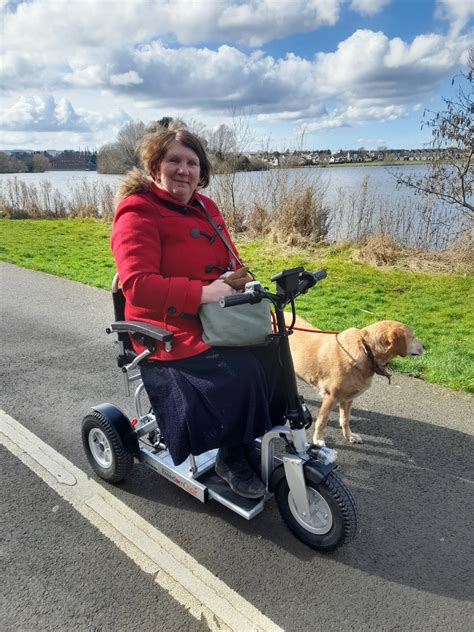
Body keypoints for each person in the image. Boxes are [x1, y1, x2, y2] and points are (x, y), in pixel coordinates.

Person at [111, 126, 284, 499]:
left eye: (192, 162)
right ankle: (228, 456)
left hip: (215, 312)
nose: (184, 170)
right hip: (164, 324)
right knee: (239, 371)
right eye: (174, 160)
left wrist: (239, 281)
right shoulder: (137, 210)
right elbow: (137, 285)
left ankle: (241, 438)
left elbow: (232, 260)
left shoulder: (207, 208)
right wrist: (204, 292)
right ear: (155, 165)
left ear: (201, 171)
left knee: (273, 350)